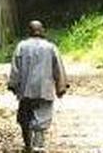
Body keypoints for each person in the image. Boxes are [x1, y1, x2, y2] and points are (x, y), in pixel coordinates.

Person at [7, 20, 68, 152]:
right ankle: (38, 145)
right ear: (43, 31)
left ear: (29, 31)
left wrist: (13, 84)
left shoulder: (21, 46)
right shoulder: (50, 47)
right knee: (42, 117)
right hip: (44, 90)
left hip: (25, 90)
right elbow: (58, 68)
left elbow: (15, 68)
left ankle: (28, 145)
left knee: (24, 118)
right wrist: (60, 87)